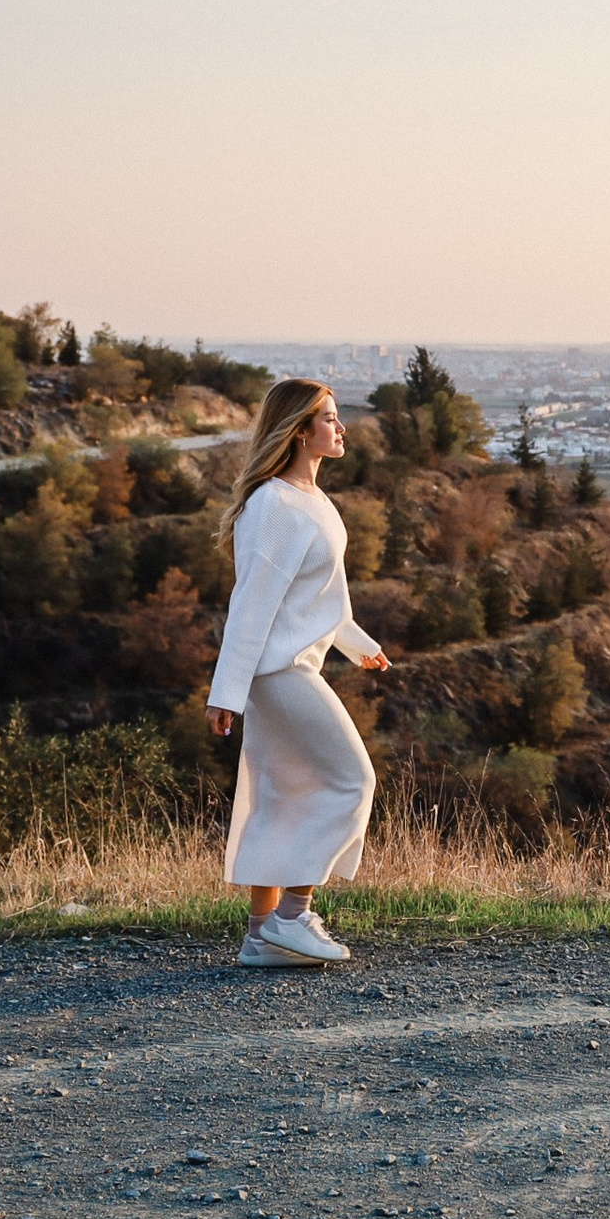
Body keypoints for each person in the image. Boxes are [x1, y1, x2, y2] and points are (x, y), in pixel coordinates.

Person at [205, 378, 391, 968]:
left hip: (288, 665)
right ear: (300, 430)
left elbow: (319, 600)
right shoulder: (274, 506)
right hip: (275, 673)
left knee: (281, 798)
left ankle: (261, 938)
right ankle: (294, 915)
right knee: (351, 781)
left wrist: (357, 644)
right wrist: (226, 693)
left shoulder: (312, 499)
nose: (341, 428)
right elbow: (253, 604)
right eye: (330, 419)